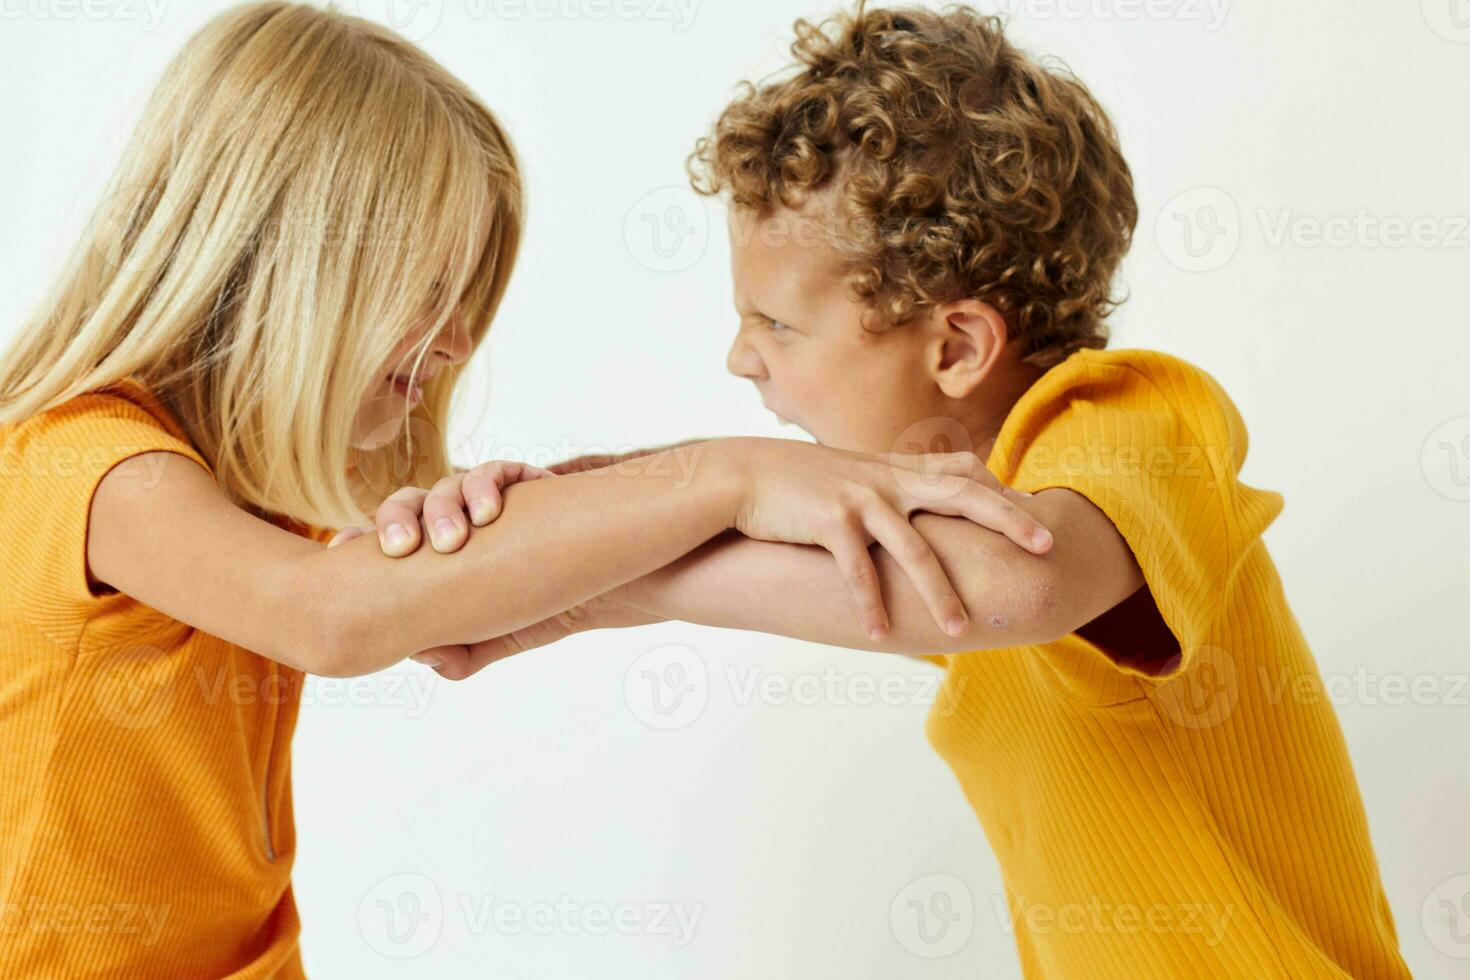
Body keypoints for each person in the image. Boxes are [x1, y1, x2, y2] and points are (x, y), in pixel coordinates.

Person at [0, 4, 1049, 975]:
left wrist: (579, 517)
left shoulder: (257, 507)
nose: (458, 340)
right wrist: (738, 472)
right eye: (429, 291)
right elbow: (326, 616)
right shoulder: (85, 462)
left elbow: (404, 591)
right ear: (285, 262)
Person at [379, 6, 1411, 977]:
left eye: (778, 325)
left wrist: (642, 559)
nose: (741, 357)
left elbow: (1007, 580)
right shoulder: (967, 512)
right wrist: (578, 548)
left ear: (957, 344)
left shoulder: (1136, 422)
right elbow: (851, 561)